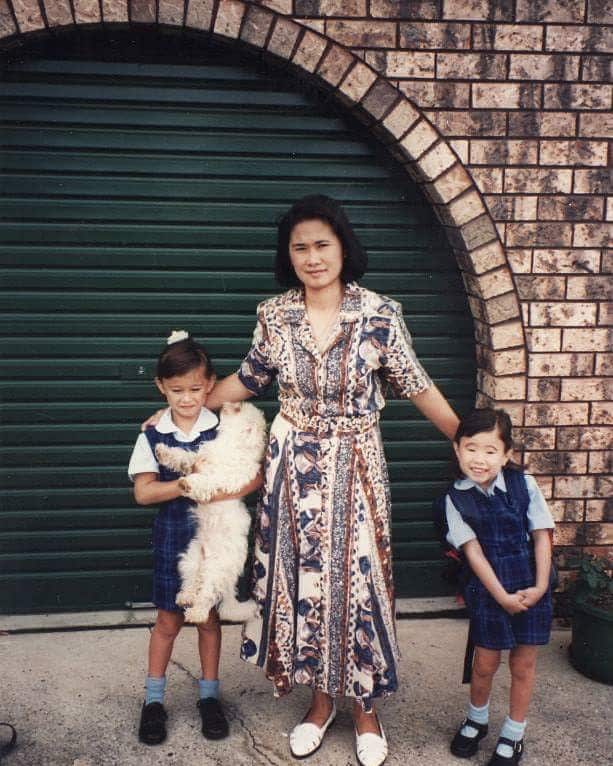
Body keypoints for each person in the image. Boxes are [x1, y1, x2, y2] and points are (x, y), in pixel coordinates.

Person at [143, 195, 459, 766]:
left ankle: (365, 707)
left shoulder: (379, 314)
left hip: (358, 466)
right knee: (304, 583)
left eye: (322, 244)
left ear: (343, 247)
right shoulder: (275, 315)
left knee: (359, 585)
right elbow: (250, 377)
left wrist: (465, 437)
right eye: (301, 248)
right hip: (293, 471)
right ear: (288, 256)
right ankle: (320, 703)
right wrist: (180, 414)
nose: (313, 257)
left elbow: (417, 385)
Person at [128, 331, 262, 746]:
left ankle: (209, 697)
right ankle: (154, 700)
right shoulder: (152, 433)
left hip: (217, 536)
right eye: (176, 390)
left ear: (209, 385)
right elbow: (144, 492)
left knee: (206, 618)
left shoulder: (226, 426)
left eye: (194, 389)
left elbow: (254, 476)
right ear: (161, 388)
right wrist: (187, 485)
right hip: (174, 536)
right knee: (168, 620)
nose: (186, 399)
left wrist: (217, 489)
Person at [443, 408, 554, 766]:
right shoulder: (454, 499)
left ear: (507, 455)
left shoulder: (525, 486)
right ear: (458, 450)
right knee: (485, 664)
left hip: (530, 585)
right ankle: (477, 721)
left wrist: (539, 587)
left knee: (522, 665)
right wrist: (502, 597)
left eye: (490, 450)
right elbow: (473, 553)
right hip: (491, 592)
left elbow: (542, 537)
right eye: (471, 448)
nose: (479, 459)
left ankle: (513, 733)